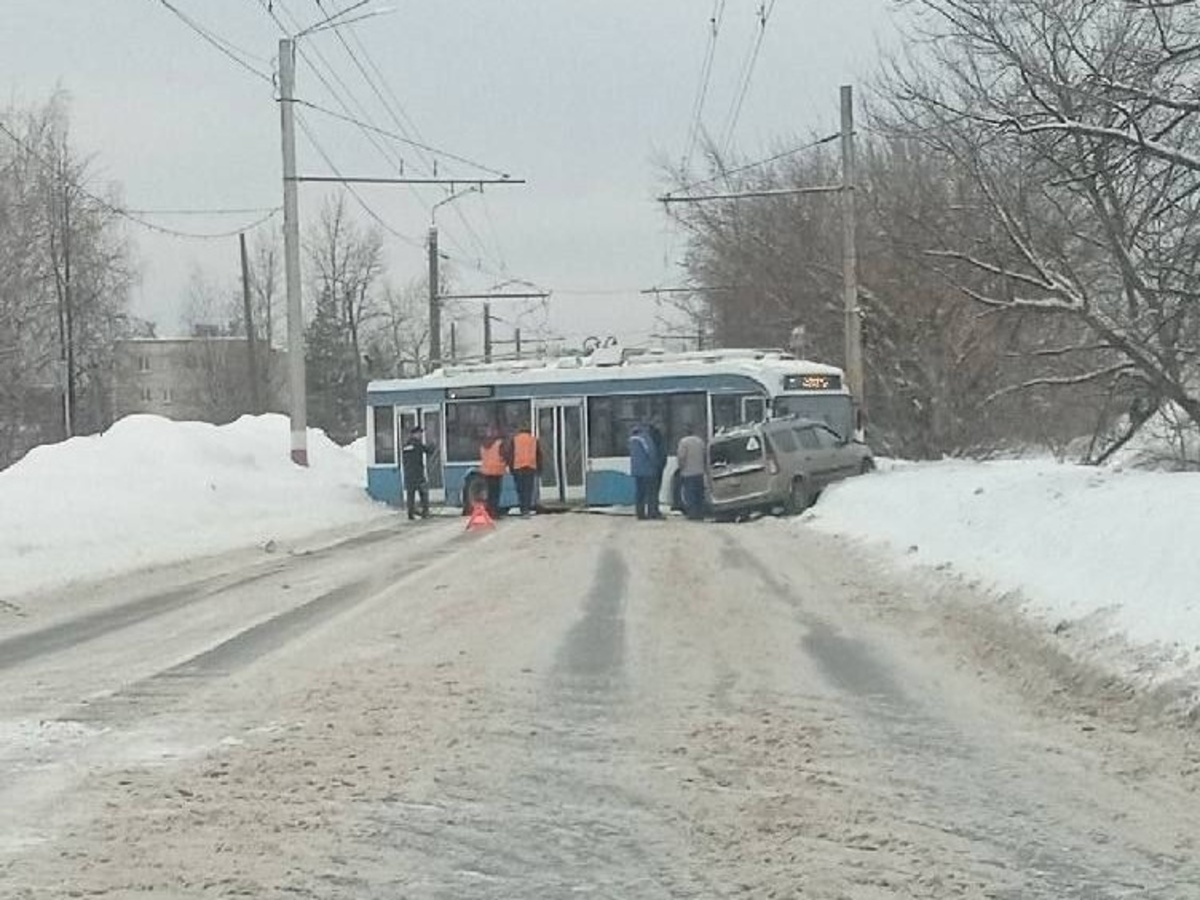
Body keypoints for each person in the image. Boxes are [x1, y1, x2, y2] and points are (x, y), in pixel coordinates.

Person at [506, 421, 543, 516]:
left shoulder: (515, 439)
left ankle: (522, 509)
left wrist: (511, 468)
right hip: (530, 468)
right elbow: (539, 455)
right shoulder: (534, 440)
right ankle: (526, 509)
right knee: (528, 490)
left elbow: (510, 455)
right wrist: (539, 469)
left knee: (520, 490)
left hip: (518, 468)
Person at [400, 425, 436, 520]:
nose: (420, 435)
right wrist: (433, 444)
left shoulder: (406, 445)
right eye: (419, 433)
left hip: (408, 474)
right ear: (415, 434)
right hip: (418, 473)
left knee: (410, 495)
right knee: (423, 493)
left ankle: (410, 514)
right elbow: (429, 450)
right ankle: (425, 512)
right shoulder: (417, 444)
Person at [628, 424, 660, 520]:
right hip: (647, 470)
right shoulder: (644, 438)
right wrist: (655, 465)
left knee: (639, 493)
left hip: (636, 471)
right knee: (650, 493)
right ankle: (651, 512)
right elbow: (651, 452)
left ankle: (640, 513)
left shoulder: (631, 440)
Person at [676, 424, 708, 521]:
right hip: (699, 472)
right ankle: (700, 514)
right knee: (699, 494)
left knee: (690, 495)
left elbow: (681, 457)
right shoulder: (700, 441)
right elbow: (705, 455)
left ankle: (692, 514)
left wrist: (681, 468)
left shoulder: (683, 442)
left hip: (688, 472)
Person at [478, 424, 508, 518]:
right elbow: (504, 456)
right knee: (496, 493)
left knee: (490, 493)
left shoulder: (483, 444)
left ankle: (489, 512)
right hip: (497, 471)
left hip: (486, 472)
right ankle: (495, 513)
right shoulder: (499, 443)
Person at [645, 418, 667, 519]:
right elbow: (657, 452)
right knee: (654, 491)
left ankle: (652, 511)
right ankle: (653, 512)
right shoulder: (655, 436)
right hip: (655, 468)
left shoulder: (650, 435)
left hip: (654, 467)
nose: (662, 425)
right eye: (659, 423)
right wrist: (659, 464)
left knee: (653, 491)